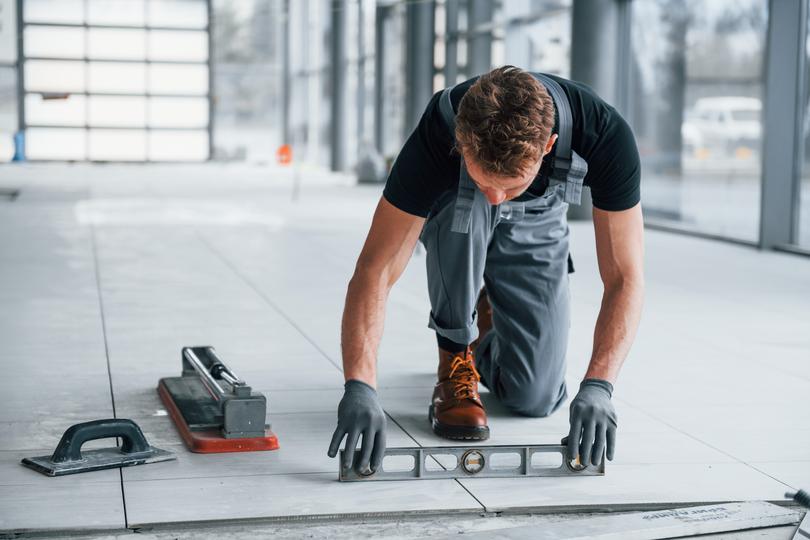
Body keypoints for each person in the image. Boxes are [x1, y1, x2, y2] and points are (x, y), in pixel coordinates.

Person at [328, 66, 644, 475]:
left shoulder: (604, 134)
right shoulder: (439, 130)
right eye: (487, 179)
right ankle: (455, 352)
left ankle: (487, 324)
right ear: (461, 143)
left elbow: (625, 277)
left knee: (536, 397)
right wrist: (360, 385)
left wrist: (600, 385)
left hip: (539, 214)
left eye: (510, 185)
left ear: (548, 146)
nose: (497, 199)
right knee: (471, 208)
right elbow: (375, 268)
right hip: (457, 209)